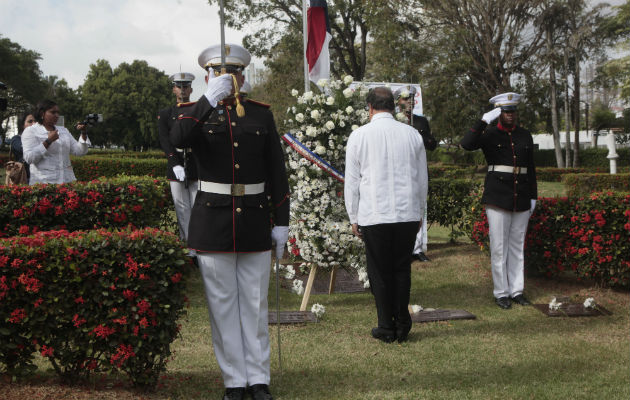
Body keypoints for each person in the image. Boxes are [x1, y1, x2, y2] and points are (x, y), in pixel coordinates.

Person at [169, 44, 289, 400]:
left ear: (243, 75)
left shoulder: (261, 115)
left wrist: (280, 221)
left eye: (234, 72)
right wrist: (206, 101)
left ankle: (258, 379)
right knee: (223, 307)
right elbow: (178, 141)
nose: (229, 78)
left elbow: (277, 172)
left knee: (254, 306)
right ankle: (235, 381)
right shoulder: (195, 112)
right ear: (209, 76)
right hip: (213, 222)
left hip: (253, 219)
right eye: (221, 73)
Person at [344, 87, 428, 344]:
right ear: (393, 106)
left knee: (379, 272)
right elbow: (422, 178)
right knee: (402, 268)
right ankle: (401, 322)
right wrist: (420, 214)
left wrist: (353, 216)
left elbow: (353, 181)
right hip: (406, 214)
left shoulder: (359, 136)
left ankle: (386, 326)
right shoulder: (412, 134)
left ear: (369, 108)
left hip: (374, 213)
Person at [460, 92, 537, 310]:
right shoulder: (490, 134)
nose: (510, 115)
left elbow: (530, 168)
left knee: (516, 245)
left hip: (521, 195)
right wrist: (483, 121)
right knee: (499, 247)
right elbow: (466, 144)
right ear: (499, 113)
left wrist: (533, 196)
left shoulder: (525, 135)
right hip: (497, 196)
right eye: (505, 111)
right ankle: (501, 292)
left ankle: (517, 290)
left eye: (513, 111)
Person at [394, 85, 437, 262]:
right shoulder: (395, 121)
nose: (410, 102)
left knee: (419, 208)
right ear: (398, 102)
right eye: (406, 99)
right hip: (399, 171)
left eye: (412, 99)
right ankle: (400, 248)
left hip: (418, 171)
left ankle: (417, 248)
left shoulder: (420, 121)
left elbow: (432, 144)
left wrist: (423, 137)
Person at [158, 72, 198, 255]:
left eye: (185, 86)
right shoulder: (166, 113)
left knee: (197, 206)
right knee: (182, 208)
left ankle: (199, 244)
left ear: (190, 89)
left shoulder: (198, 109)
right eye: (179, 86)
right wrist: (175, 163)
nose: (182, 90)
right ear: (174, 89)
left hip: (196, 164)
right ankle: (188, 246)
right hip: (176, 165)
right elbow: (165, 140)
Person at [22, 100, 90, 185]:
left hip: (67, 182)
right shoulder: (31, 131)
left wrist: (83, 133)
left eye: (58, 113)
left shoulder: (63, 130)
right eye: (53, 112)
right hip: (44, 184)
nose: (57, 115)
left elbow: (80, 151)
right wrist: (48, 141)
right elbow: (29, 158)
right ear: (42, 113)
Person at [9, 111, 36, 181]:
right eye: (30, 121)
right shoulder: (16, 139)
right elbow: (24, 149)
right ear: (22, 125)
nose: (34, 123)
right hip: (24, 178)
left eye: (35, 121)